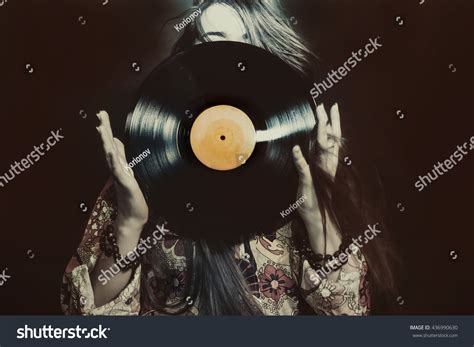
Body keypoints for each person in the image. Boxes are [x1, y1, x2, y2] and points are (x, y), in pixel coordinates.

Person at [61, 0, 394, 315]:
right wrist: (130, 221)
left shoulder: (316, 164)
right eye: (214, 41)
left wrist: (317, 210)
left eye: (247, 41)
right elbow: (91, 323)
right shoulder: (146, 166)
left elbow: (350, 317)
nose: (234, 58)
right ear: (190, 56)